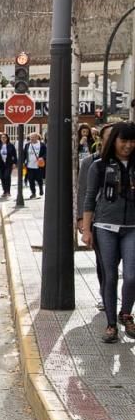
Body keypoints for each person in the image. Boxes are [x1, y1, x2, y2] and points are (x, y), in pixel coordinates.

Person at [81, 121, 135, 343]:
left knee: (131, 275)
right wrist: (86, 229)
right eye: (124, 141)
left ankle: (126, 313)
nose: (128, 146)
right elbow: (89, 197)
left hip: (132, 228)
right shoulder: (99, 166)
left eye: (132, 141)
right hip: (104, 227)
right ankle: (111, 324)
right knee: (110, 275)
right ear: (114, 142)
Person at [77, 123, 112, 312]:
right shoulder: (90, 162)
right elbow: (83, 192)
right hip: (99, 220)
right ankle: (106, 295)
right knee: (104, 263)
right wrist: (81, 220)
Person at [0, 132, 17, 199]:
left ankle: (8, 191)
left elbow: (14, 155)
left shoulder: (11, 145)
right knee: (2, 177)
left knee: (7, 176)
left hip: (8, 163)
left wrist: (15, 163)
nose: (3, 139)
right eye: (2, 138)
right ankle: (4, 191)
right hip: (1, 164)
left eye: (4, 138)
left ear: (7, 138)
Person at [24, 132, 47, 199]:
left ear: (37, 137)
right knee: (31, 180)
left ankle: (41, 188)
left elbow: (46, 153)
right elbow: (24, 154)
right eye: (31, 138)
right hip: (29, 165)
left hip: (38, 166)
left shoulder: (42, 145)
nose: (32, 139)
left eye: (33, 137)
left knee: (39, 179)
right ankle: (33, 193)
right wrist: (22, 162)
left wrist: (42, 158)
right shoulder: (27, 145)